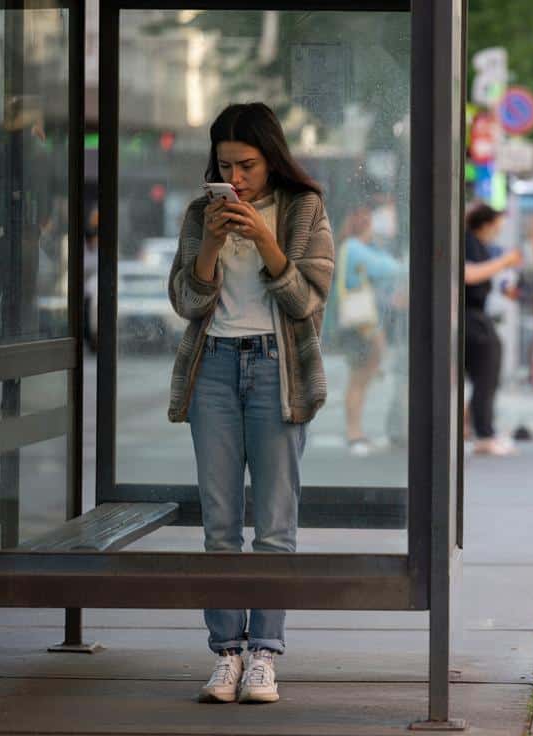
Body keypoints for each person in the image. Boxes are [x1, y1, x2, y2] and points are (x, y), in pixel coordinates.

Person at [166, 102, 333, 705]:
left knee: (275, 523)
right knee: (219, 525)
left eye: (248, 165)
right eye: (225, 165)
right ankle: (225, 654)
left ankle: (265, 652)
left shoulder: (303, 208)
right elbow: (186, 300)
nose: (235, 178)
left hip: (275, 369)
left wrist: (263, 237)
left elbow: (308, 303)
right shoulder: (198, 214)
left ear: (273, 159)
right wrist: (209, 244)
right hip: (212, 365)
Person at [332, 205, 402, 457]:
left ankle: (357, 432)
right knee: (358, 378)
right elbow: (390, 268)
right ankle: (353, 433)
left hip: (367, 322)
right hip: (359, 323)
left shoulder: (362, 248)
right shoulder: (353, 248)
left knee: (362, 377)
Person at [463, 203, 522, 456]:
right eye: (496, 226)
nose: (498, 232)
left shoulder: (480, 246)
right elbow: (469, 275)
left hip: (477, 315)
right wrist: (504, 262)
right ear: (486, 224)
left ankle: (478, 427)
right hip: (470, 317)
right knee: (485, 377)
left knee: (485, 378)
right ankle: (484, 434)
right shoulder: (469, 242)